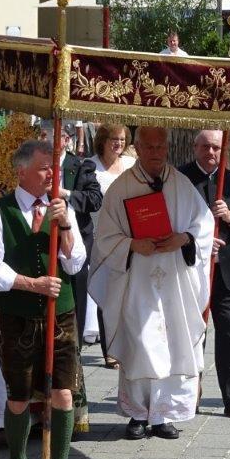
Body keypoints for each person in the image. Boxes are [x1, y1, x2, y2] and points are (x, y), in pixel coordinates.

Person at [0, 140, 86, 459]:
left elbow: (75, 262)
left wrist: (65, 224)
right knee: (19, 396)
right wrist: (31, 284)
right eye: (43, 168)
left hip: (61, 315)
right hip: (19, 316)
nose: (52, 174)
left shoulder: (62, 209)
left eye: (54, 167)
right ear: (21, 171)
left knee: (63, 392)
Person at [89, 126, 214, 439]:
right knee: (140, 341)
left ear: (167, 148)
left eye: (161, 147)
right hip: (137, 279)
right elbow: (105, 236)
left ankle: (163, 414)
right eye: (149, 147)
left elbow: (203, 224)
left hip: (174, 281)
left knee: (172, 342)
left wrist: (183, 239)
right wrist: (133, 244)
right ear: (138, 148)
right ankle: (137, 413)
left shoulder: (182, 184)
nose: (156, 153)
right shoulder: (121, 187)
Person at [178, 130, 230, 416]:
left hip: (226, 271)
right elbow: (173, 223)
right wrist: (198, 241)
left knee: (229, 330)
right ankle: (188, 392)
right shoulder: (181, 179)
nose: (210, 153)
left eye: (215, 148)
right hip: (190, 267)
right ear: (195, 147)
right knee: (190, 330)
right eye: (205, 147)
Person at [39, 121, 102, 347]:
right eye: (43, 137)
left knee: (76, 291)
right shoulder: (36, 165)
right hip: (42, 235)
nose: (48, 142)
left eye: (53, 137)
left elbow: (95, 200)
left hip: (76, 239)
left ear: (66, 140)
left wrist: (65, 193)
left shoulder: (82, 166)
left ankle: (75, 344)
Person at [85, 123, 135, 360]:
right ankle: (110, 350)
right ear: (102, 141)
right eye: (114, 139)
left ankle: (127, 345)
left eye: (122, 140)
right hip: (100, 236)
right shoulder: (90, 166)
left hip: (127, 237)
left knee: (126, 293)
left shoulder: (131, 165)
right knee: (105, 291)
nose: (119, 144)